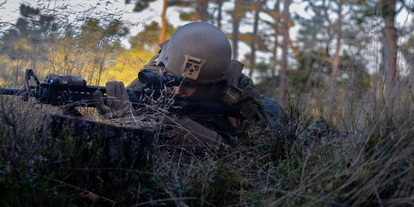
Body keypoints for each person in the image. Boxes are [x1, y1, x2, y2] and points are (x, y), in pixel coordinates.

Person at [98, 21, 281, 150]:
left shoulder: (240, 90)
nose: (179, 90)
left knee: (276, 113)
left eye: (191, 84)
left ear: (215, 84)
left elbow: (259, 152)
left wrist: (210, 140)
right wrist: (120, 120)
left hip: (271, 113)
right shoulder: (154, 77)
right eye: (172, 79)